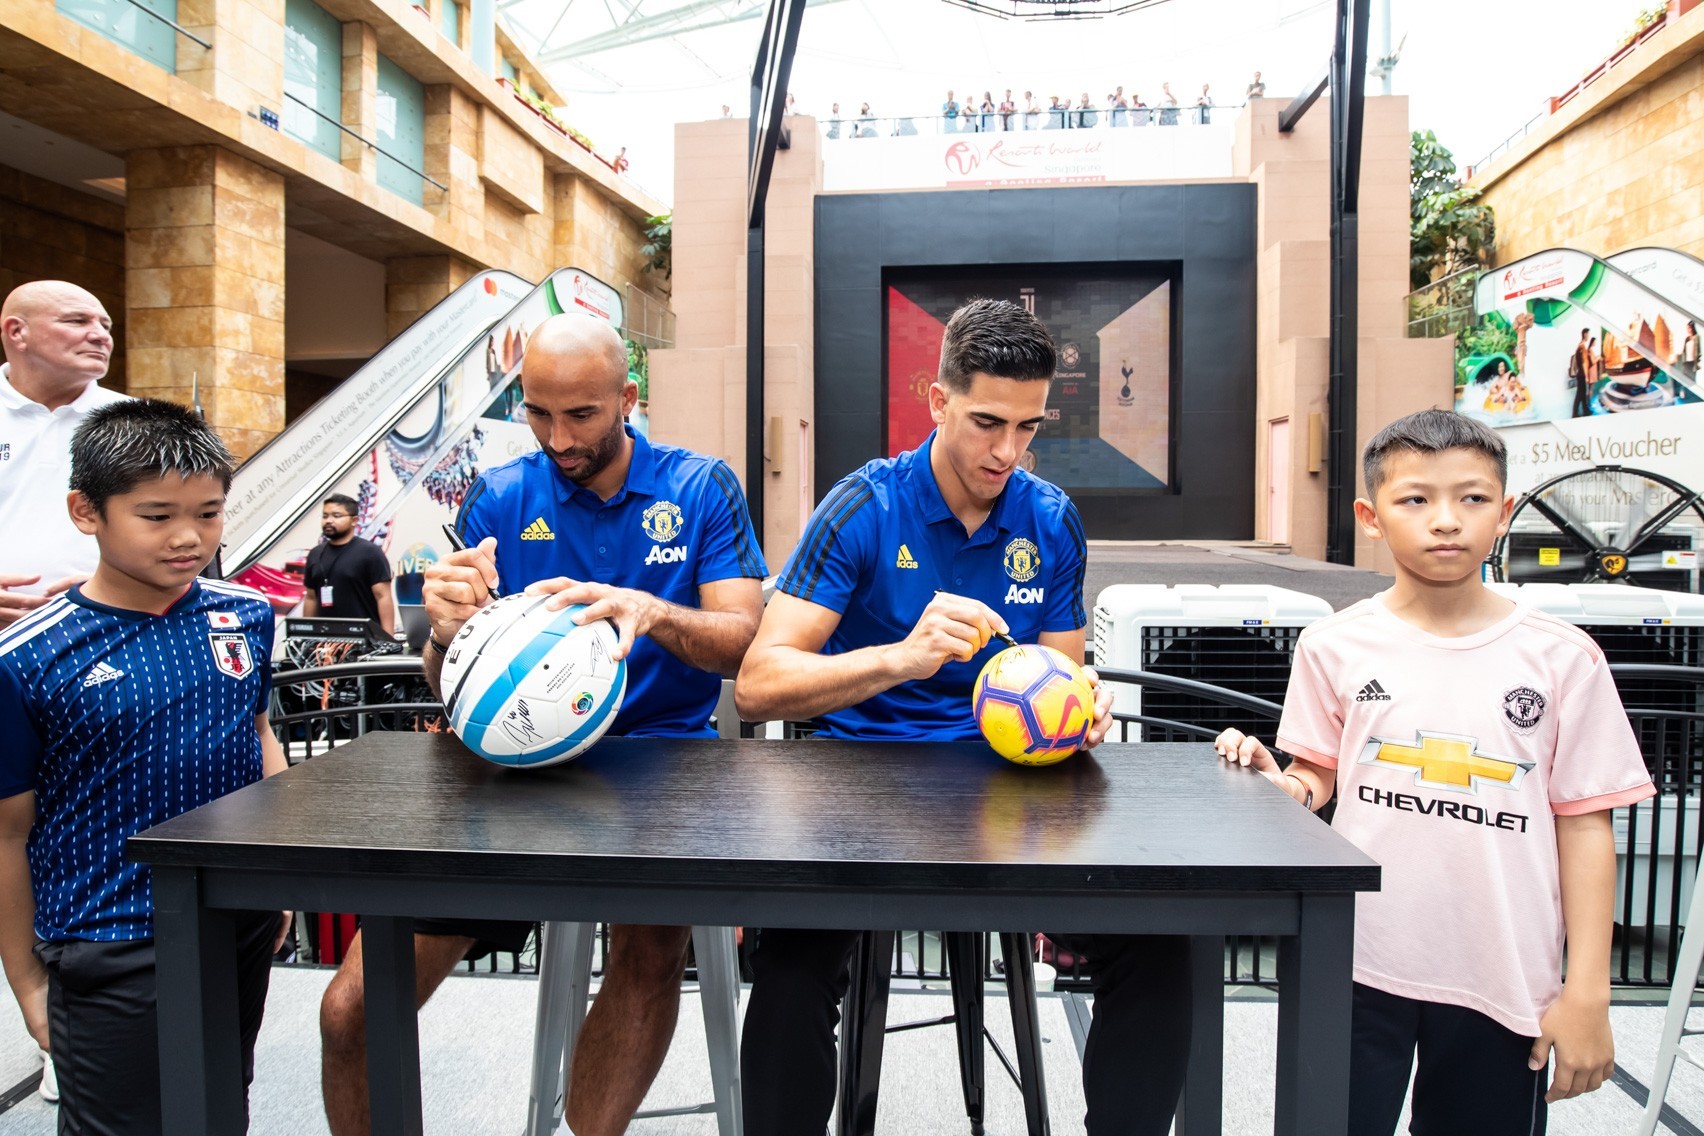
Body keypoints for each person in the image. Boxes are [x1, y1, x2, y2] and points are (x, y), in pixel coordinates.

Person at [734, 300, 1194, 1136]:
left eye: (1030, 427)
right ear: (937, 400)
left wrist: (1081, 708)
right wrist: (899, 659)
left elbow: (1063, 672)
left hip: (1009, 788)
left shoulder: (1049, 516)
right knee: (791, 976)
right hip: (860, 783)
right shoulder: (863, 505)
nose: (1008, 451)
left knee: (1163, 941)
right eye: (987, 422)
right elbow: (759, 686)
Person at [317, 314, 766, 1136]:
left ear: (628, 399)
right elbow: (444, 682)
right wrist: (445, 633)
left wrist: (651, 610)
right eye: (538, 413)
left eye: (582, 415)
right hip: (506, 772)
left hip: (660, 762)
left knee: (647, 953)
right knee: (350, 1012)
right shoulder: (501, 494)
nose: (558, 437)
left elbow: (742, 645)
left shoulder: (701, 487)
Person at [1215, 409, 1654, 1136]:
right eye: (1416, 499)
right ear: (1372, 516)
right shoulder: (1333, 645)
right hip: (1354, 964)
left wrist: (1589, 994)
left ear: (1505, 511)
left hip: (1504, 980)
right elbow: (1317, 776)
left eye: (1473, 498)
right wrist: (1279, 786)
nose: (1446, 520)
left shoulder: (1564, 658)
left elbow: (1585, 827)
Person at [0, 398, 288, 1135]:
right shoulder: (29, 655)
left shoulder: (246, 615)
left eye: (209, 513)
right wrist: (28, 981)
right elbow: (7, 833)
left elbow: (260, 742)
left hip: (233, 917)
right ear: (85, 511)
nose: (188, 537)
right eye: (156, 516)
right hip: (112, 936)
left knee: (220, 1105)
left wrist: (278, 877)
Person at [0, 280, 129, 631]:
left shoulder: (144, 423)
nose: (101, 335)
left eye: (106, 325)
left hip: (107, 637)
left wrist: (122, 591)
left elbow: (184, 532)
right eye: (77, 321)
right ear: (17, 332)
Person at [301, 493, 396, 636]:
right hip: (323, 644)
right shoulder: (315, 554)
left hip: (365, 640)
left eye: (336, 516)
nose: (329, 521)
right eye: (325, 516)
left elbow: (383, 596)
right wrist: (305, 636)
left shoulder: (371, 552)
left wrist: (388, 640)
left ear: (354, 520)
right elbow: (311, 597)